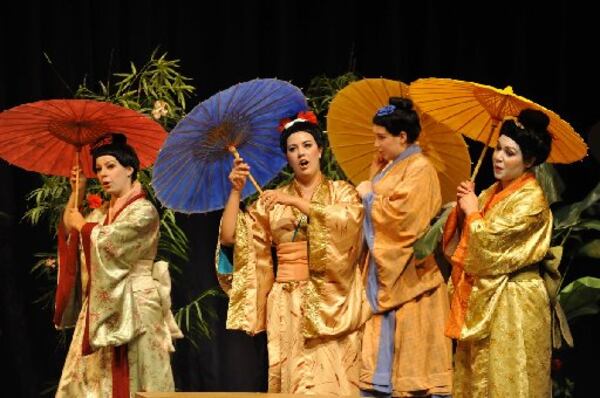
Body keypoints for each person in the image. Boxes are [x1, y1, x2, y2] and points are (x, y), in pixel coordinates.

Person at [217, 110, 371, 396]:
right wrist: (236, 191)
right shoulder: (271, 199)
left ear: (320, 150)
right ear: (286, 157)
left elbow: (349, 224)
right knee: (294, 380)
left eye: (307, 145)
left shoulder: (342, 192)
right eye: (292, 149)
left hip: (332, 299)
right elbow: (231, 238)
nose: (301, 153)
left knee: (334, 381)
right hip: (287, 301)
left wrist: (295, 203)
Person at [55, 133, 182, 397]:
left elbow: (108, 241)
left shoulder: (143, 211)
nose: (103, 174)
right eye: (99, 169)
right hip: (103, 305)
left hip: (137, 304)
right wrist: (76, 193)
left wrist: (82, 226)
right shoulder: (101, 213)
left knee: (141, 376)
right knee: (92, 382)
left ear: (130, 168)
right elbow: (71, 230)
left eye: (110, 166)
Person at [442, 109, 554, 397]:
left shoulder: (532, 200)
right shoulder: (491, 191)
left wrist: (473, 212)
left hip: (514, 299)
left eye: (510, 152)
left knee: (508, 376)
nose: (499, 157)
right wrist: (462, 208)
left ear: (529, 161)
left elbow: (491, 244)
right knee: (478, 372)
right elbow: (467, 239)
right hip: (486, 294)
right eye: (498, 148)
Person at [355, 97, 453, 397]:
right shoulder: (391, 166)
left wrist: (370, 197)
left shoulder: (421, 168)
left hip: (412, 279)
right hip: (388, 273)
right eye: (375, 137)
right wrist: (373, 180)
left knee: (411, 366)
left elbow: (405, 219)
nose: (376, 144)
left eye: (381, 137)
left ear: (402, 137)